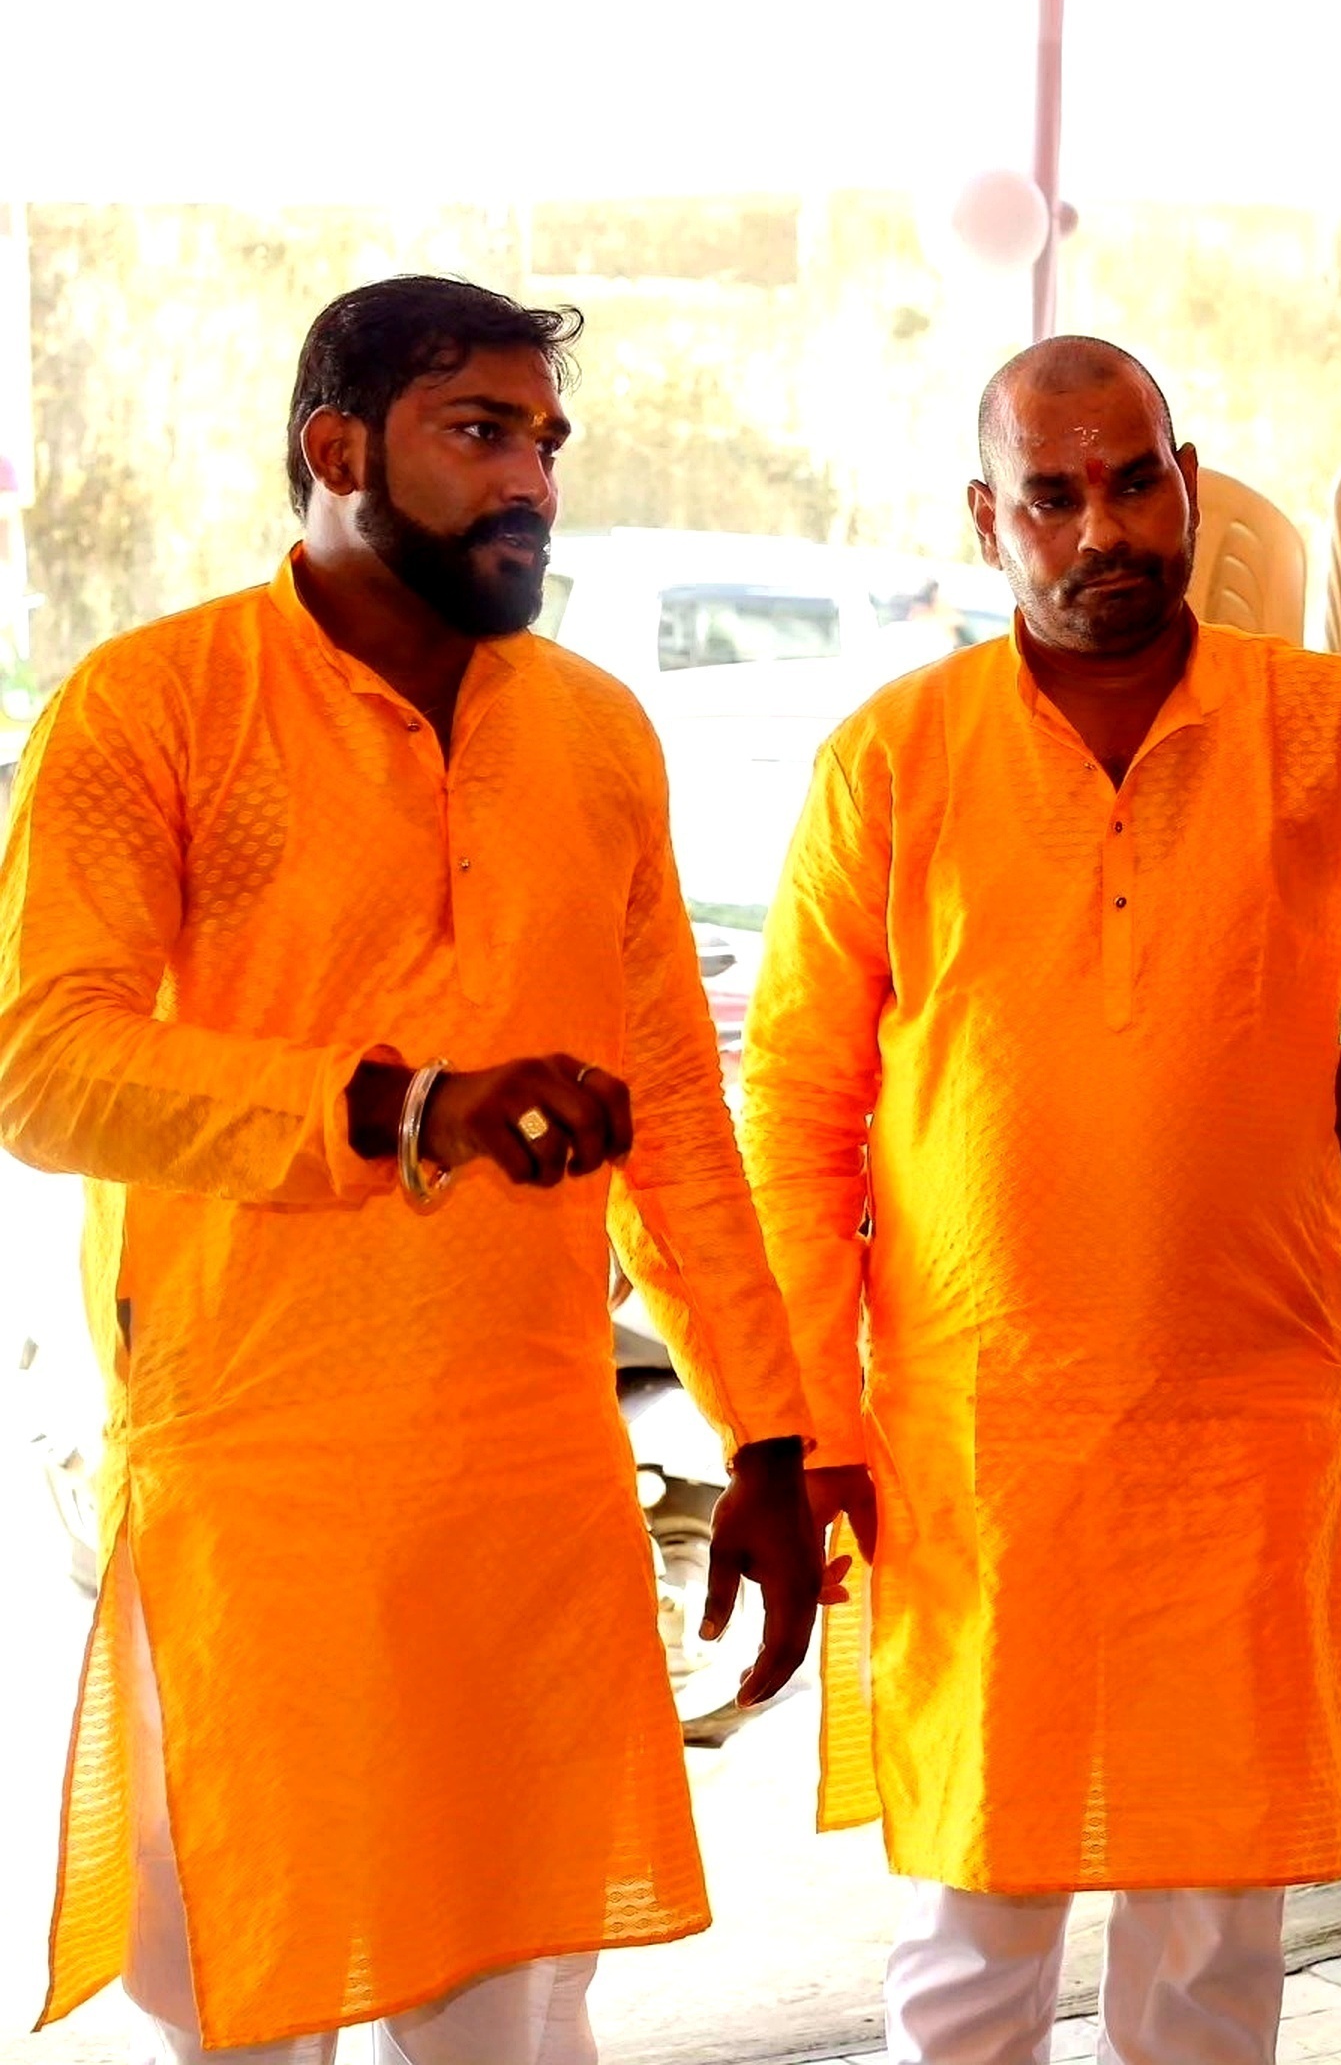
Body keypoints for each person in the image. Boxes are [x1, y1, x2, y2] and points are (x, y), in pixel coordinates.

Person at [740, 334, 1341, 2065]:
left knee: (1216, 1933)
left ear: (1190, 483)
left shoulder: (1324, 727)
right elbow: (796, 1105)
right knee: (978, 1917)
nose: (1104, 531)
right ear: (987, 521)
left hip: (1240, 1424)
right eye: (1053, 497)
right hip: (986, 1434)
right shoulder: (895, 758)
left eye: (1134, 481)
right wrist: (807, 1423)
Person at [0, 276, 827, 2064]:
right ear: (337, 447)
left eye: (547, 441)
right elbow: (43, 1068)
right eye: (481, 432)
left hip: (528, 1475)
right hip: (262, 1477)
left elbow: (674, 1110)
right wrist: (401, 1110)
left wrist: (769, 1434)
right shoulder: (155, 706)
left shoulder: (596, 732)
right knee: (250, 1990)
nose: (532, 479)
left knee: (514, 2001)